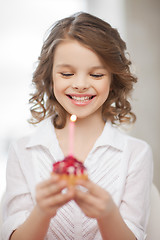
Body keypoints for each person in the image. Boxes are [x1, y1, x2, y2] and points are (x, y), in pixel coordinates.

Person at [1, 12, 153, 240]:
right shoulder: (23, 151)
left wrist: (108, 214)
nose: (80, 84)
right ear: (50, 78)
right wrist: (42, 212)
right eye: (67, 73)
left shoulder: (136, 154)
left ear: (113, 80)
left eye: (96, 74)